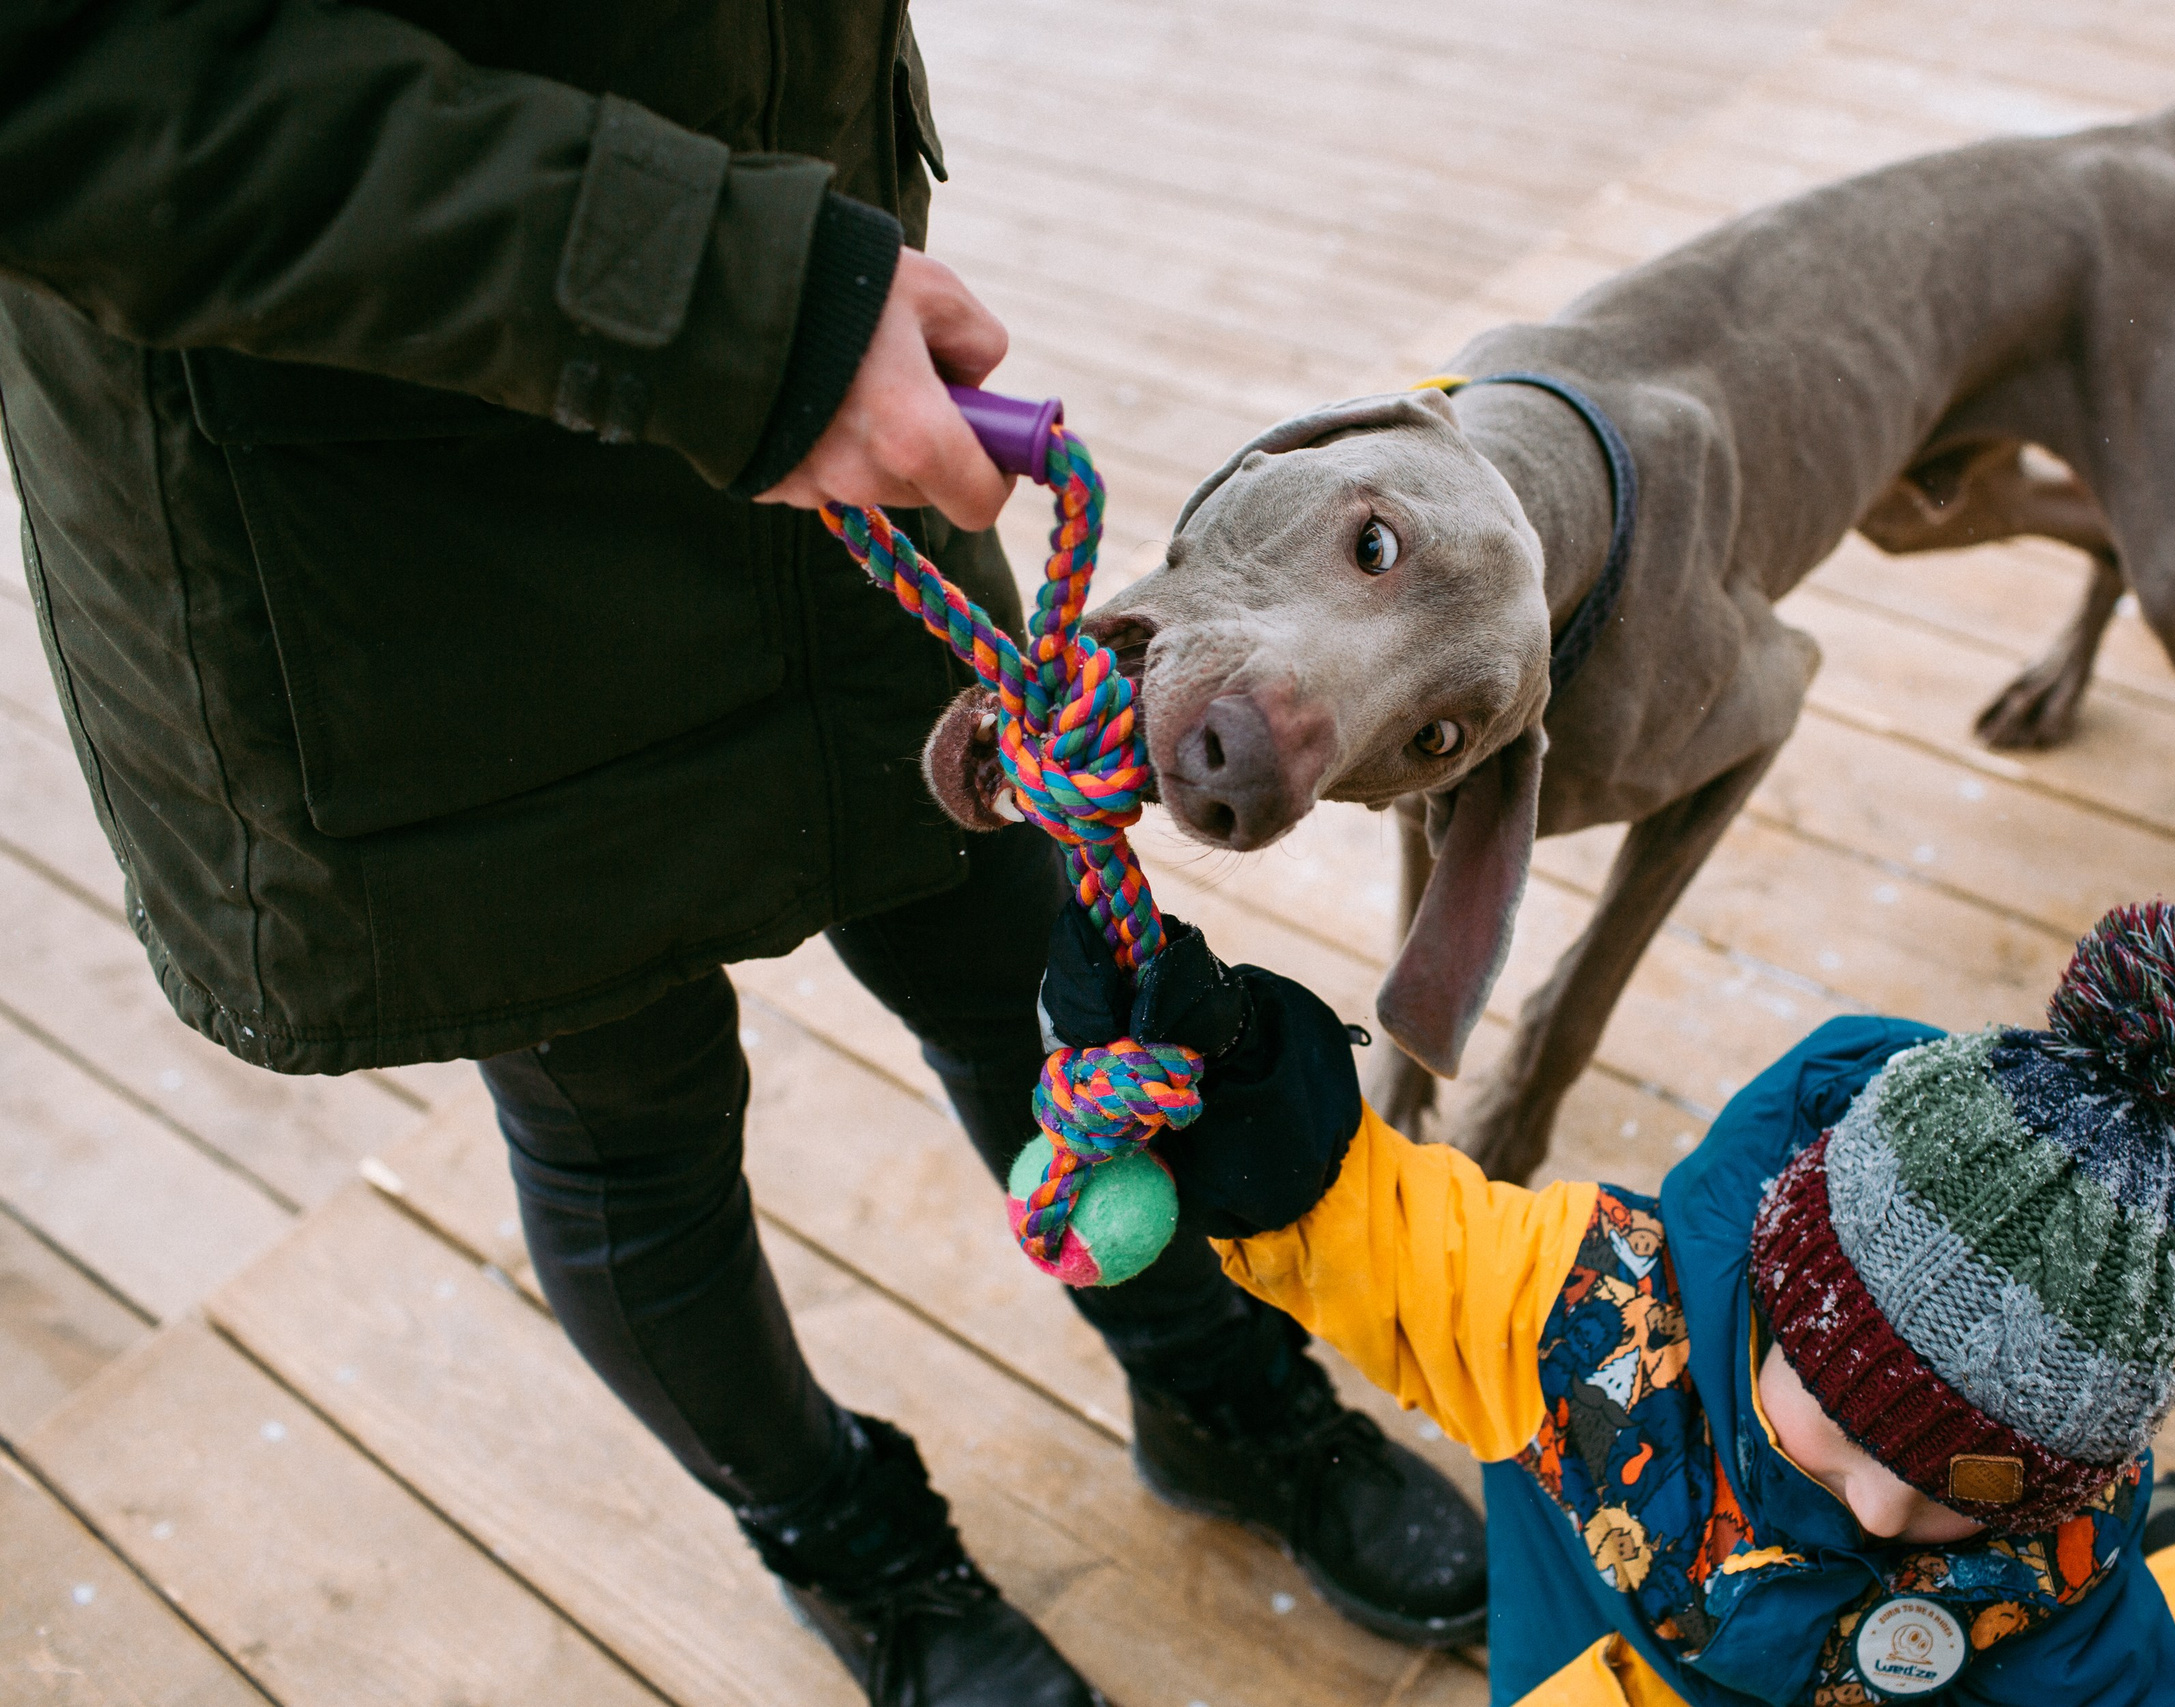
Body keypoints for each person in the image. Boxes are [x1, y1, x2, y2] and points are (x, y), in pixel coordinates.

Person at [0, 6, 1485, 1703]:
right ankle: (847, 1543)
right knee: (624, 1124)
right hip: (388, 543)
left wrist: (779, 300)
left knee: (1030, 967)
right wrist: (721, 300)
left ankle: (1214, 1386)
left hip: (809, 391)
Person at [1063, 898, 2175, 1704]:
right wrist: (1249, 1106)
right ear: (1774, 1292)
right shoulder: (1592, 1323)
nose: (1884, 1514)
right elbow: (1384, 1239)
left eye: (1964, 1489)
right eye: (1848, 1424)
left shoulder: (2049, 1568)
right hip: (1617, 1672)